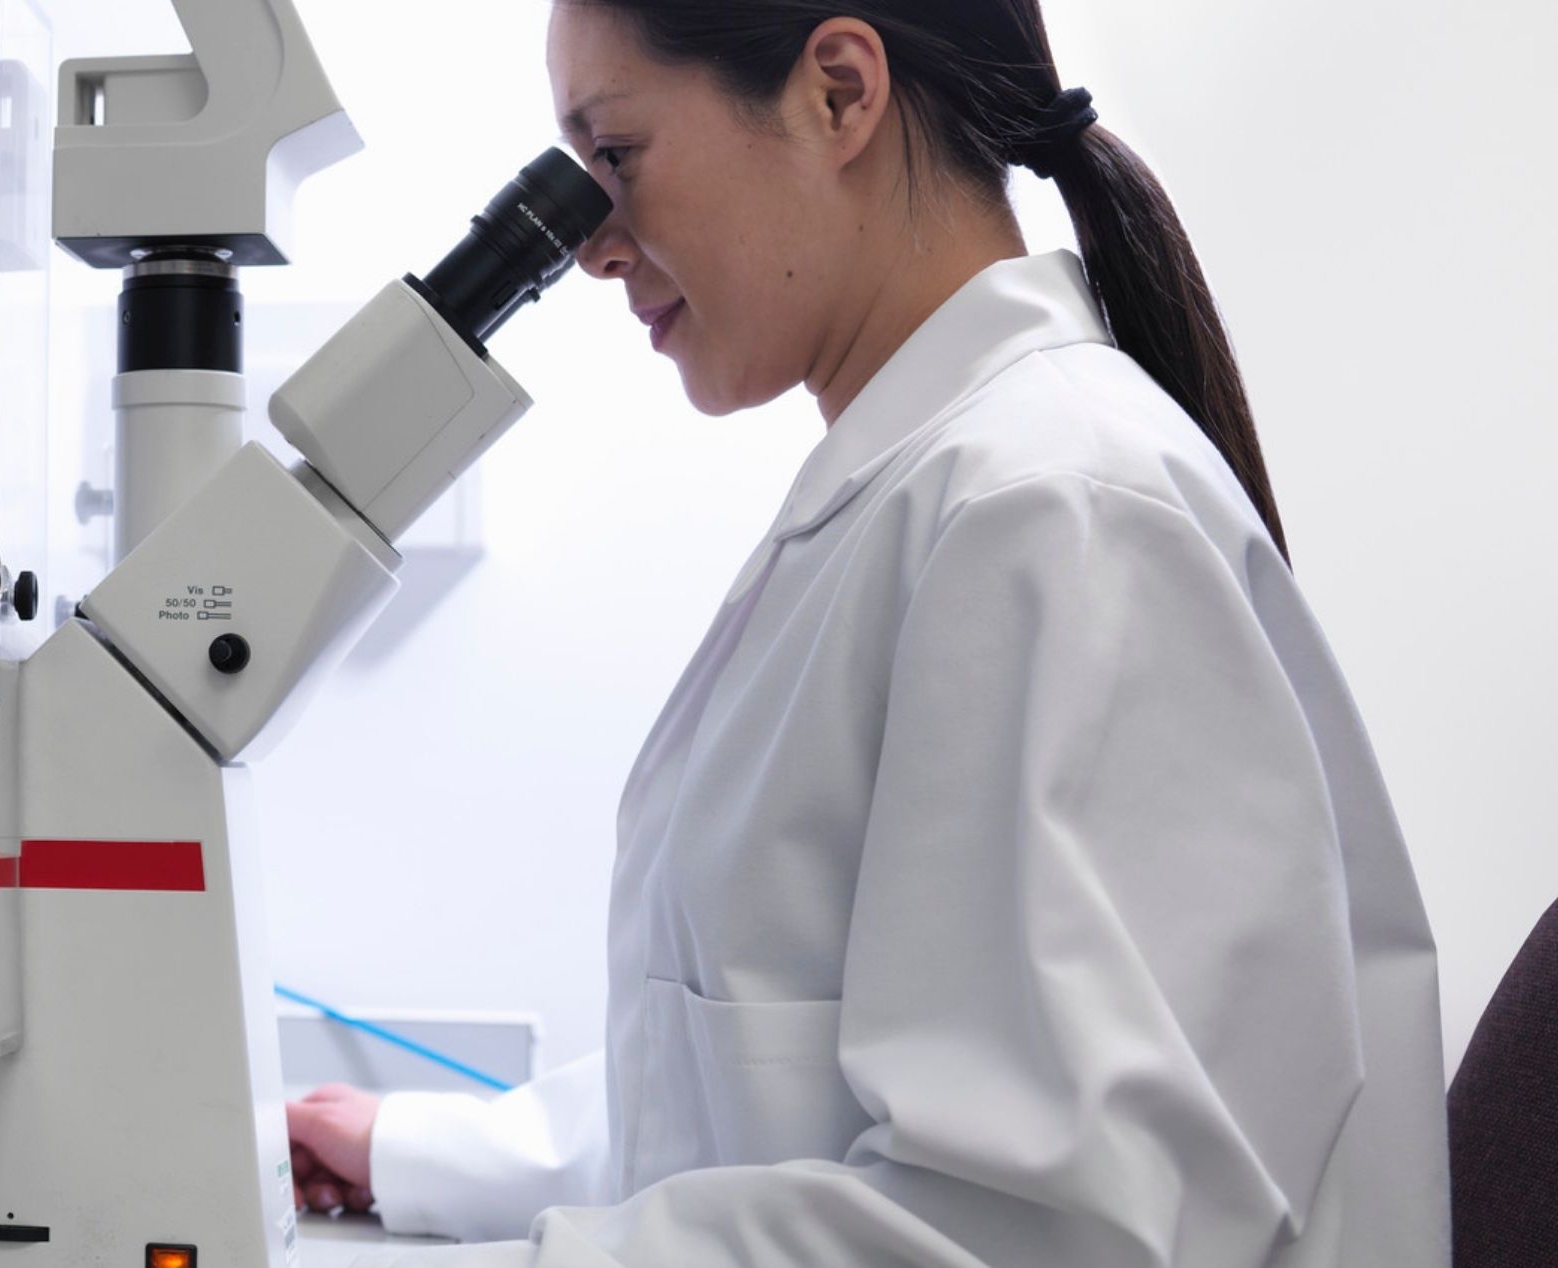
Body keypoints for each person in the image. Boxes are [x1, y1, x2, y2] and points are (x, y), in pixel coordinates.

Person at [284, 2, 1451, 1265]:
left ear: (840, 92)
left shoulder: (1050, 508)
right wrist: (420, 1149)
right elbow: (775, 1064)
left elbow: (1046, 1231)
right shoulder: (935, 489)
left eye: (615, 157)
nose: (593, 248)